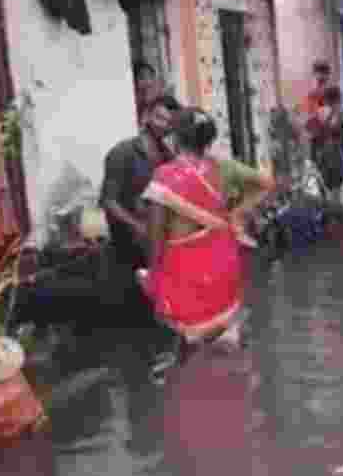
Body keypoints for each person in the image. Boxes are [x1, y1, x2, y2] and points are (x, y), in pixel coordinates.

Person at [138, 108, 274, 348]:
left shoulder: (164, 176)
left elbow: (156, 238)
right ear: (208, 139)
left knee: (191, 350)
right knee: (225, 344)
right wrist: (237, 213)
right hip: (224, 272)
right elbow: (266, 184)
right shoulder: (225, 167)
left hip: (187, 278)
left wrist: (154, 278)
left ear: (176, 139)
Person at [101, 94, 181, 315]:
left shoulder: (169, 158)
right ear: (146, 116)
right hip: (129, 250)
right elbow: (109, 202)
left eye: (169, 122)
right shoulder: (122, 153)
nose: (163, 125)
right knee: (137, 313)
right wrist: (138, 227)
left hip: (161, 247)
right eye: (159, 117)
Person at [306, 85, 343, 199]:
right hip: (332, 156)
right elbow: (336, 128)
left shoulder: (318, 113)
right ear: (336, 99)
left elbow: (310, 133)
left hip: (322, 157)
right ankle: (334, 211)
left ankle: (331, 209)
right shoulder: (335, 112)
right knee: (335, 191)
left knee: (328, 191)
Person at [133, 61, 162, 126]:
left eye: (150, 76)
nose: (148, 81)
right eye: (142, 78)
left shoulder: (161, 98)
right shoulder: (135, 101)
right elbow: (141, 125)